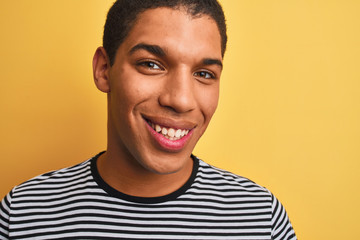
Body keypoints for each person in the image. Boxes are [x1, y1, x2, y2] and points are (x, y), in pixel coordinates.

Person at [0, 0, 297, 239]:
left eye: (204, 74)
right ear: (105, 70)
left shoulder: (260, 218)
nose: (181, 100)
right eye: (151, 65)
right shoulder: (23, 213)